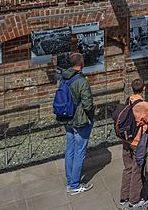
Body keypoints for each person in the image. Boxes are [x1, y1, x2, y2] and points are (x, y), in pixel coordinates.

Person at [56, 52, 94, 195]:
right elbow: (87, 104)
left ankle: (70, 181)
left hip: (67, 119)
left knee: (70, 150)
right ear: (81, 63)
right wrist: (90, 117)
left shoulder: (64, 78)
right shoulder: (82, 81)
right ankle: (75, 185)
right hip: (80, 121)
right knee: (79, 152)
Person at [120, 78, 148, 210]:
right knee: (137, 170)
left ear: (132, 89)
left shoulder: (128, 100)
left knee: (127, 168)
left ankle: (124, 196)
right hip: (137, 141)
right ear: (144, 89)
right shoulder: (145, 105)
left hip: (126, 140)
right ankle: (134, 200)